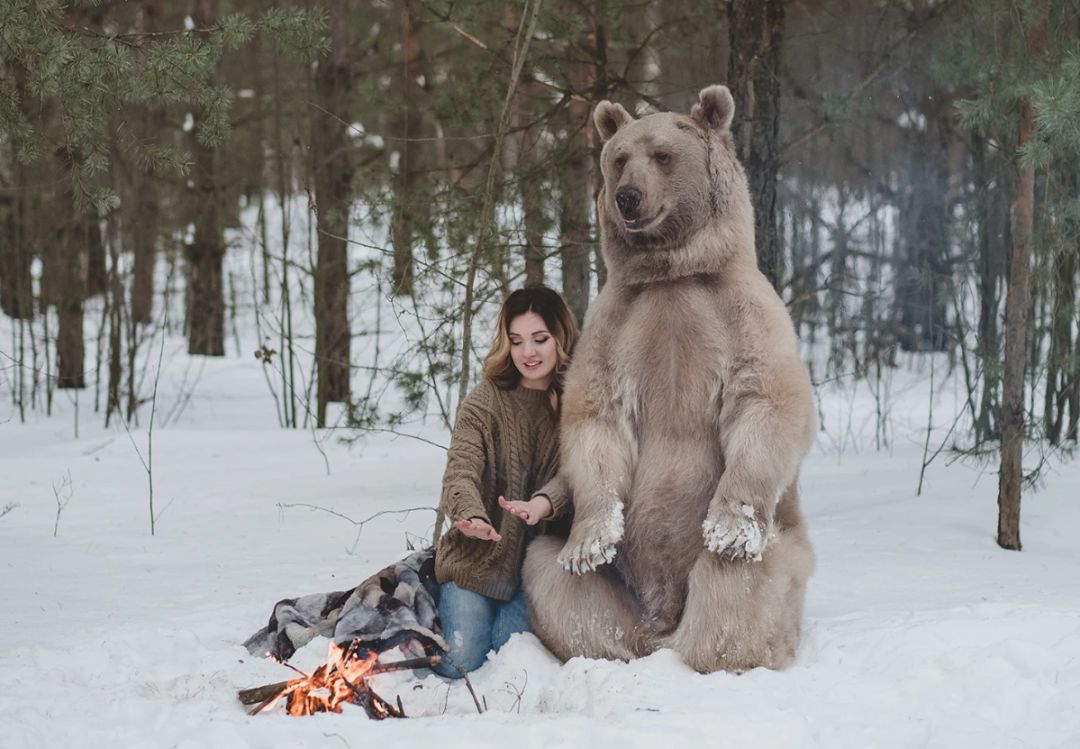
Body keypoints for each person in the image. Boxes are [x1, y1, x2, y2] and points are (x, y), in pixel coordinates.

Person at [431, 285, 576, 678]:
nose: (528, 352)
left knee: (510, 661)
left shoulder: (579, 402)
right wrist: (469, 514)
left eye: (540, 339)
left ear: (561, 337)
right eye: (517, 341)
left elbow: (578, 474)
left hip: (534, 574)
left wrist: (543, 504)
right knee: (461, 663)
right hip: (475, 564)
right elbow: (460, 467)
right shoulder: (486, 400)